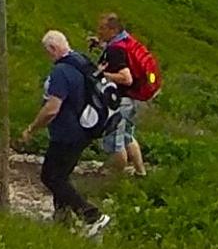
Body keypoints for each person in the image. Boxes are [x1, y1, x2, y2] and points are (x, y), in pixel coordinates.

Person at [32, 27, 111, 235]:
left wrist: (31, 129)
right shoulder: (81, 61)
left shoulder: (61, 72)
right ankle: (62, 220)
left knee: (50, 177)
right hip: (84, 130)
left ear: (52, 48)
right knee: (62, 176)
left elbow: (52, 108)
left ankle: (91, 215)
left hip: (66, 133)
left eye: (47, 51)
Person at [93, 12, 162, 177]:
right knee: (127, 137)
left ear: (113, 30)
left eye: (102, 28)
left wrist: (101, 75)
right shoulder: (125, 42)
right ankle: (141, 172)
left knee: (115, 143)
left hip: (120, 101)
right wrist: (101, 46)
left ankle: (114, 177)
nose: (99, 31)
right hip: (133, 99)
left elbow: (126, 78)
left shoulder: (116, 50)